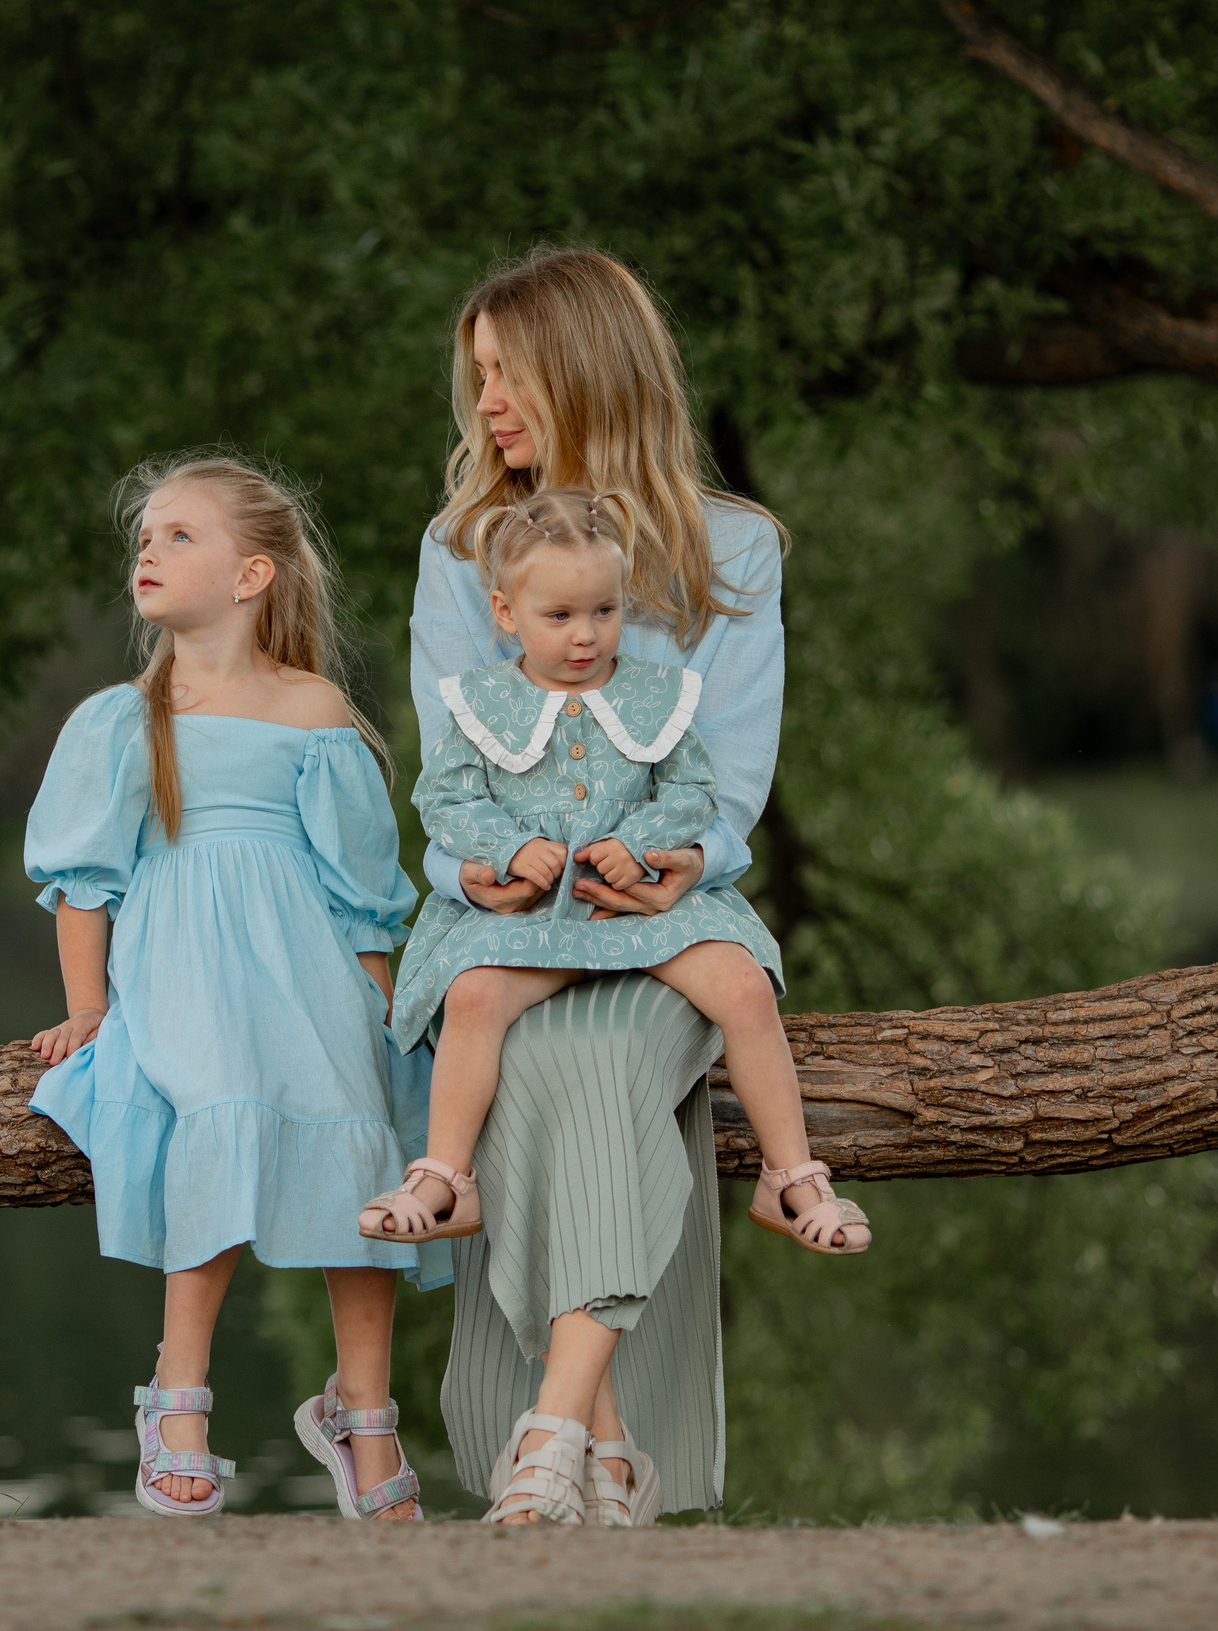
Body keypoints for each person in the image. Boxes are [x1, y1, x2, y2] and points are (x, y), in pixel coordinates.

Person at [404, 247, 864, 1528]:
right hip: (510, 914)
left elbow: (730, 786)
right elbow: (451, 773)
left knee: (601, 1061)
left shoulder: (734, 552)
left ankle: (552, 1428)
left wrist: (677, 866)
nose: (486, 402)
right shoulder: (461, 550)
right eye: (477, 375)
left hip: (662, 913)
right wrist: (478, 876)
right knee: (535, 1058)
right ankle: (604, 1448)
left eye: (509, 373)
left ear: (587, 369)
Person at [24, 452, 430, 1522]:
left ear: (252, 576)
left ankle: (363, 1410)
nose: (148, 551)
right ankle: (178, 1397)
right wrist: (88, 1010)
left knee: (357, 1129)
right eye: (143, 537)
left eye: (179, 534)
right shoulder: (127, 717)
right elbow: (83, 885)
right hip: (184, 967)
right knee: (219, 1104)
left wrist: (377, 1011)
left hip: (307, 968)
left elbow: (359, 896)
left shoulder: (313, 709)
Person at [360, 486, 867, 1314]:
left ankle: (792, 1176)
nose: (586, 635)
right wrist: (506, 846)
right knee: (474, 994)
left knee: (744, 986)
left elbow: (694, 787)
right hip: (533, 913)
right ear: (506, 613)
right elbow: (444, 799)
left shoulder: (655, 695)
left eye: (604, 610)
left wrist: (642, 841)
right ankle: (447, 1174)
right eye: (560, 615)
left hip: (636, 906)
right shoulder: (482, 703)